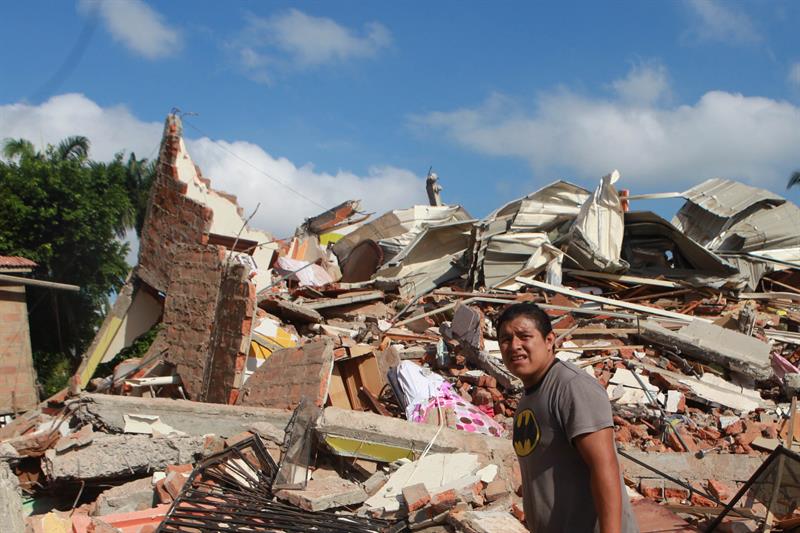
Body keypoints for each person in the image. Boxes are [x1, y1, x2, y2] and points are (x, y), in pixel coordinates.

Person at [497, 302, 638, 533]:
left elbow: (605, 466)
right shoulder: (528, 399)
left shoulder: (572, 387)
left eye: (524, 336)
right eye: (505, 339)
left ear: (549, 340)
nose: (514, 346)